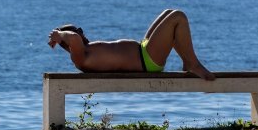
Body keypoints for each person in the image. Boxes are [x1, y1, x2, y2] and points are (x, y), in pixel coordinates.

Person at [48, 9, 216, 80]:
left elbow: (75, 38)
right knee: (178, 17)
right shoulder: (79, 56)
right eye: (76, 31)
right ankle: (193, 64)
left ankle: (187, 62)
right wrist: (59, 35)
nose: (81, 32)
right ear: (68, 44)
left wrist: (64, 35)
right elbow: (74, 39)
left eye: (79, 29)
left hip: (143, 51)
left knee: (168, 13)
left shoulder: (87, 50)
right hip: (146, 61)